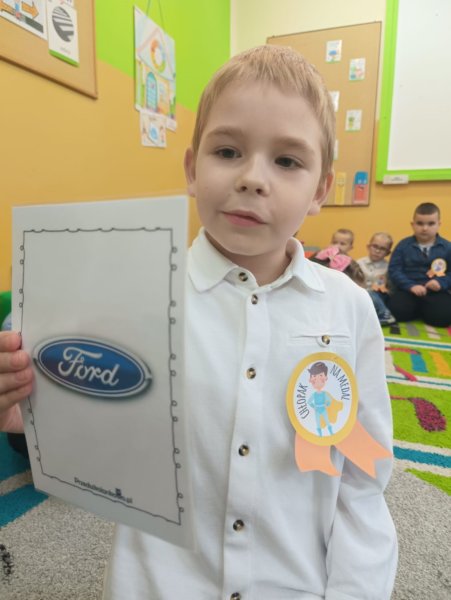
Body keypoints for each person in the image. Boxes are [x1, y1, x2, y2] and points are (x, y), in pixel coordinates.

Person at [0, 45, 397, 599]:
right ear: (192, 169)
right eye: (228, 151)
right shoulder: (130, 296)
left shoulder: (349, 307)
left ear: (320, 191)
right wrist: (34, 411)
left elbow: (362, 479)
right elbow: (90, 435)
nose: (253, 178)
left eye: (287, 161)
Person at [388, 202, 451, 327]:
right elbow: (394, 269)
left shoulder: (447, 247)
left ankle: (427, 310)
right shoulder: (403, 245)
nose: (425, 228)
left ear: (439, 224)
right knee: (396, 311)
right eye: (420, 223)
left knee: (443, 318)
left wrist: (441, 282)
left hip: (436, 292)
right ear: (412, 224)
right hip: (408, 290)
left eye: (431, 223)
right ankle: (420, 309)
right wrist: (410, 285)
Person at [357, 233, 396, 326]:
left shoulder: (388, 267)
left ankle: (385, 314)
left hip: (379, 296)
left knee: (371, 293)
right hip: (361, 295)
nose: (377, 251)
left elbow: (390, 287)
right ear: (368, 247)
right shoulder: (359, 263)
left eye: (382, 249)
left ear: (388, 253)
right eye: (375, 246)